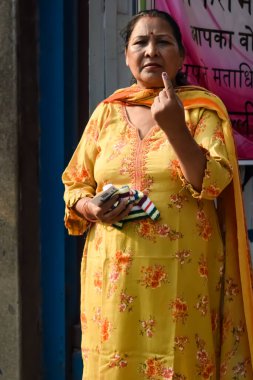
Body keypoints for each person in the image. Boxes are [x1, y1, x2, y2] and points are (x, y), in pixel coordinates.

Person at [62, 9, 253, 380]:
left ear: (181, 57)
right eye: (141, 42)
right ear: (127, 56)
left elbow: (214, 182)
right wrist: (91, 208)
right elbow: (75, 183)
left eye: (162, 41)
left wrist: (175, 128)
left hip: (184, 282)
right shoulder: (106, 114)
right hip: (115, 281)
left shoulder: (202, 112)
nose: (151, 50)